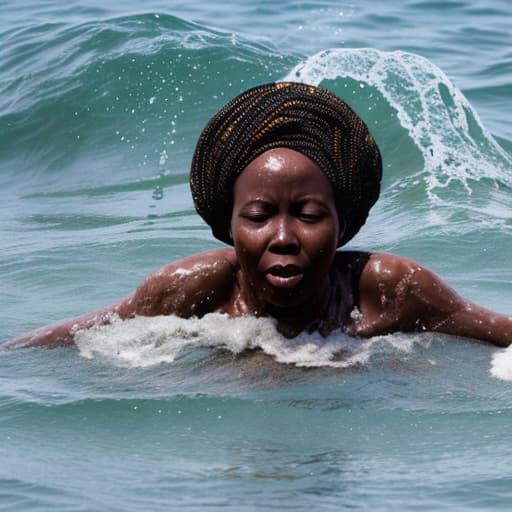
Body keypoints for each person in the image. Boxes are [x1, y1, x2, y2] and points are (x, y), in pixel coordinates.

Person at [4, 82, 512, 349]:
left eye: (310, 214)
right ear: (228, 224)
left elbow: (495, 330)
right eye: (259, 215)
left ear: (343, 222)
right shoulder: (190, 290)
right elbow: (70, 340)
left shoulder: (390, 291)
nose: (285, 236)